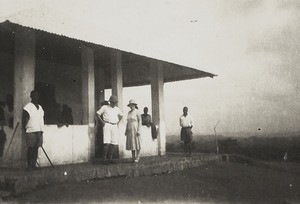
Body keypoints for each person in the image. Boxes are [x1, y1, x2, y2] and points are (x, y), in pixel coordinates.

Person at [96, 95, 123, 164]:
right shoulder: (105, 107)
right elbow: (97, 114)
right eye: (112, 102)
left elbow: (121, 115)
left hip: (114, 125)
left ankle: (110, 158)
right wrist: (102, 122)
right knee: (106, 142)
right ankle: (104, 159)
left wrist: (117, 122)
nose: (114, 103)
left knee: (113, 142)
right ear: (110, 102)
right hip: (107, 124)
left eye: (115, 102)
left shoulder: (117, 109)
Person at [22, 90, 44, 170]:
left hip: (39, 131)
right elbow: (24, 119)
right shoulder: (28, 107)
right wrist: (25, 128)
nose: (36, 96)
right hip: (31, 130)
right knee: (30, 148)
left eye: (37, 95)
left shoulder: (40, 107)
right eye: (34, 95)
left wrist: (41, 130)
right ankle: (29, 166)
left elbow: (41, 119)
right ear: (31, 96)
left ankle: (34, 165)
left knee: (36, 148)